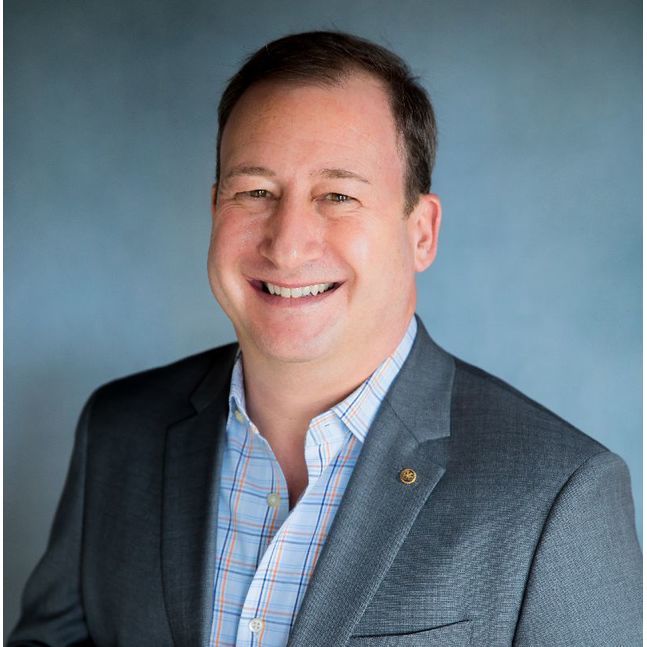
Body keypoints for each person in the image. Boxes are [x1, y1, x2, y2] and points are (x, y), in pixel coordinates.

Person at [9, 31, 641, 647]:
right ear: (215, 209)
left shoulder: (558, 493)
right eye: (255, 191)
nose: (286, 245)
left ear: (421, 233)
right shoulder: (119, 430)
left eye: (337, 195)